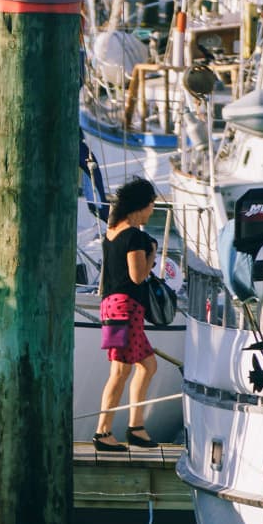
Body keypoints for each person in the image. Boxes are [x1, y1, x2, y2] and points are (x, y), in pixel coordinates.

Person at [96, 176, 160, 451]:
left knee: (148, 365)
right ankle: (103, 432)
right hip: (125, 307)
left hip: (115, 305)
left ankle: (136, 426)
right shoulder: (134, 236)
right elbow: (137, 277)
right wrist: (152, 255)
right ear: (140, 206)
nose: (152, 211)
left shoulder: (112, 232)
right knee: (120, 371)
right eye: (150, 206)